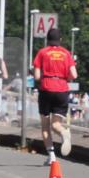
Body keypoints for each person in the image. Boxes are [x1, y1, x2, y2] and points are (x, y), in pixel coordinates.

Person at [32, 27, 77, 165]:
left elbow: (37, 76)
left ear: (47, 40)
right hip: (62, 89)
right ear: (60, 40)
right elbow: (74, 75)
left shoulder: (42, 53)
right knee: (56, 124)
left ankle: (51, 156)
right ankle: (63, 133)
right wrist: (65, 77)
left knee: (45, 125)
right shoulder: (66, 53)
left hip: (46, 89)